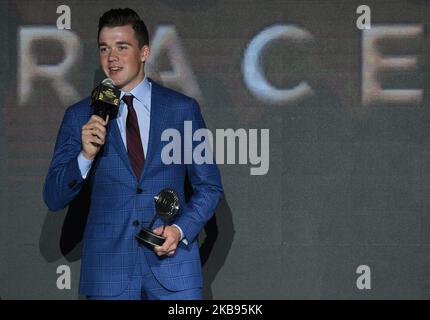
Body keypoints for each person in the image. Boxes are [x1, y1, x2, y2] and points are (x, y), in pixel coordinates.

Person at [43, 8, 223, 300]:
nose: (111, 57)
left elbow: (209, 187)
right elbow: (53, 196)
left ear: (144, 52)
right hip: (108, 276)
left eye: (122, 47)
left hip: (174, 273)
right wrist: (85, 157)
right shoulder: (80, 117)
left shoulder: (182, 110)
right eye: (104, 48)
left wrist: (179, 229)